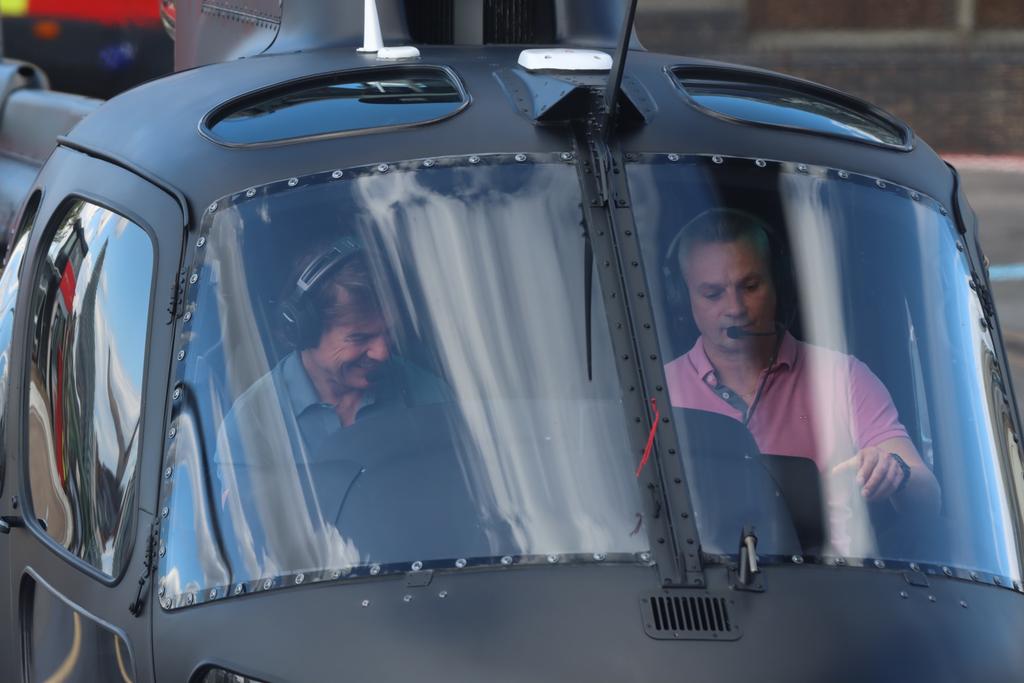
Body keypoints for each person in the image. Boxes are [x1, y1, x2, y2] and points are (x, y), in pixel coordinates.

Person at [662, 209, 941, 543]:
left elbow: (930, 500)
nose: (735, 308)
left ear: (779, 284)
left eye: (750, 286)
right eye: (713, 294)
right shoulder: (657, 389)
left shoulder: (843, 377)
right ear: (682, 299)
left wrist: (896, 470)